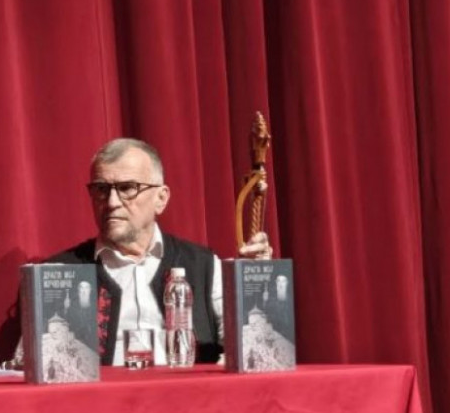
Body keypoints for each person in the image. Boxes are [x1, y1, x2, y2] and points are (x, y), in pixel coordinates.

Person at [33, 137, 272, 365]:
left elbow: (249, 344)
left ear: (161, 198)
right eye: (101, 189)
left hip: (189, 392)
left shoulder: (204, 266)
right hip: (102, 394)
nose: (112, 202)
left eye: (127, 188)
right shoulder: (60, 275)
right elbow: (35, 364)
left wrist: (254, 285)